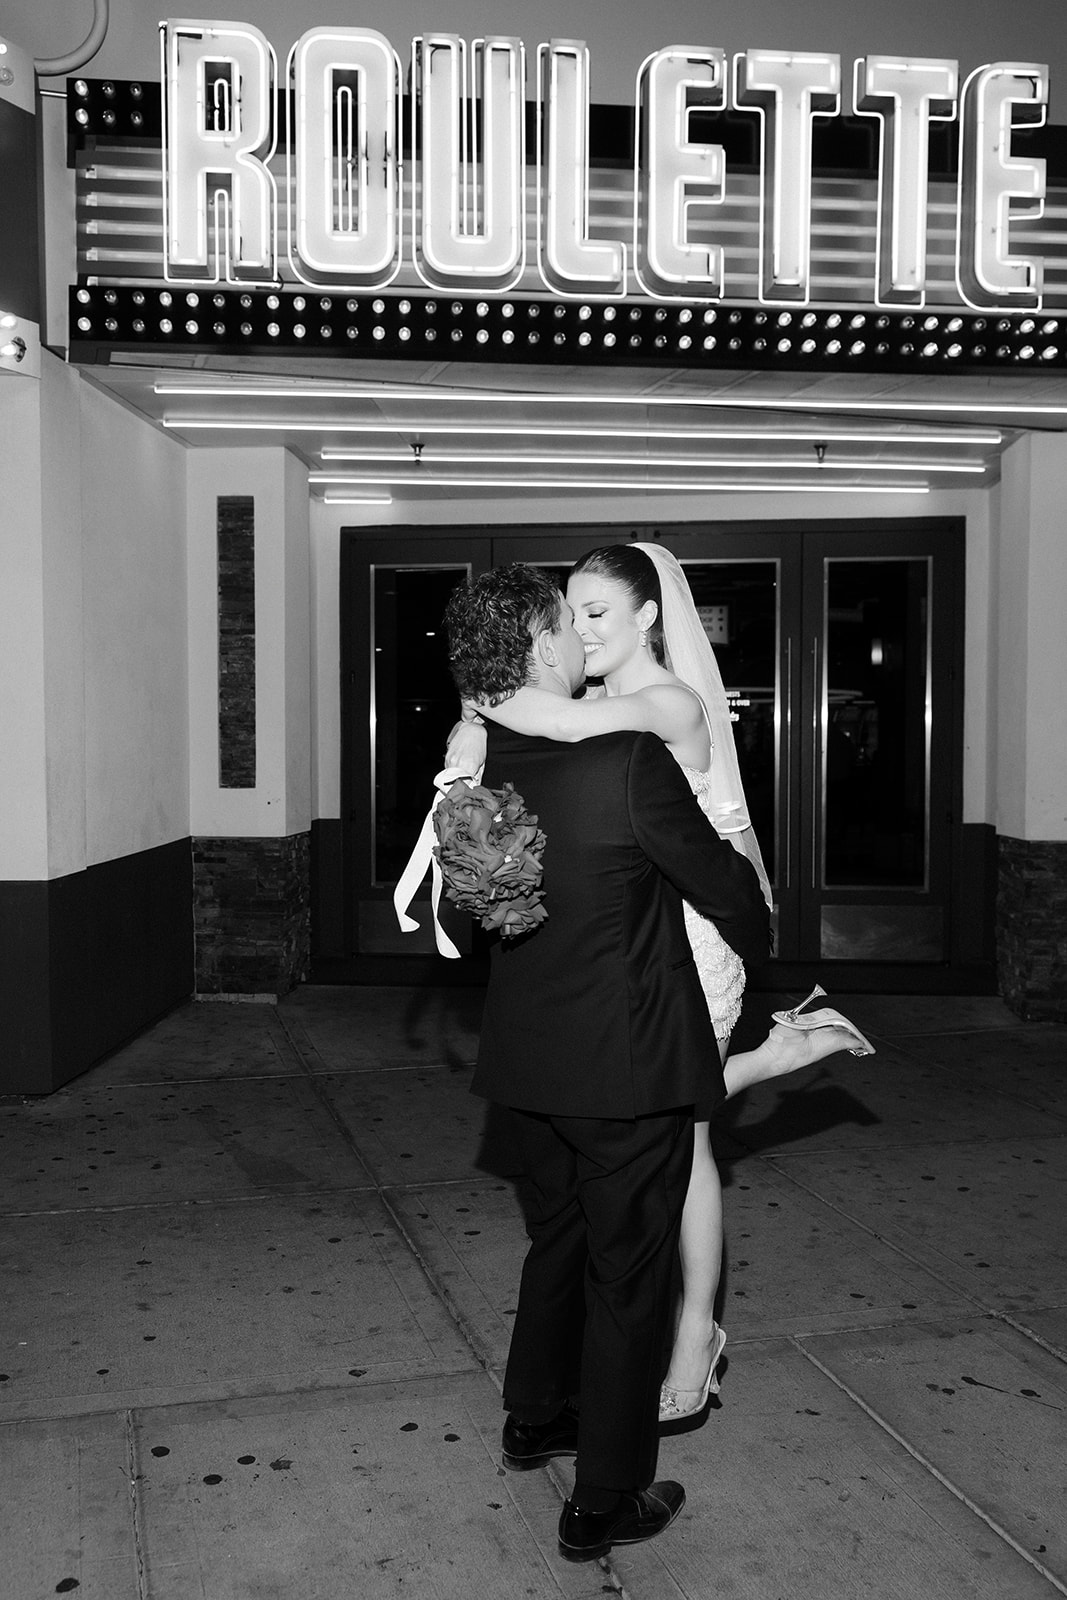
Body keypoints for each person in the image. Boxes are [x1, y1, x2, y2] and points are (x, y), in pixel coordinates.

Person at [446, 541, 873, 1424]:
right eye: (569, 614)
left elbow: (555, 728)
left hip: (689, 934)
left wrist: (475, 708)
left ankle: (693, 1336)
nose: (578, 629)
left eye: (595, 612)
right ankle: (777, 1057)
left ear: (648, 616)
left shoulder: (665, 702)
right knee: (666, 1123)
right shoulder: (583, 703)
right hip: (616, 942)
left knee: (683, 1141)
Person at [441, 562, 770, 1563]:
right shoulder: (626, 758)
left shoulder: (476, 760)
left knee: (556, 1241)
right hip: (624, 1065)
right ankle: (605, 1496)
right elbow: (723, 887)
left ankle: (534, 1416)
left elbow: (466, 910)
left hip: (523, 1061)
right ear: (543, 644)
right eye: (566, 622)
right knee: (627, 1274)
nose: (579, 637)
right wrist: (749, 933)